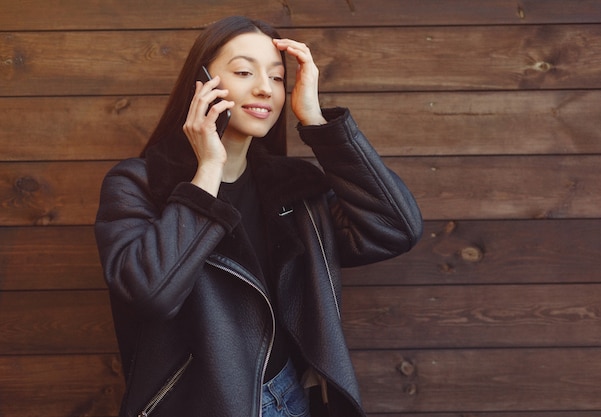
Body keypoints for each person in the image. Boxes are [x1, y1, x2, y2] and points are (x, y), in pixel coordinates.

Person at [95, 15, 422, 417]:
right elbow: (151, 293)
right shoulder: (138, 184)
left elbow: (395, 229)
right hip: (202, 406)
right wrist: (209, 170)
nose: (265, 88)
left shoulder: (295, 189)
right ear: (202, 85)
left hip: (291, 398)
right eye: (244, 71)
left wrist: (318, 124)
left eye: (277, 77)